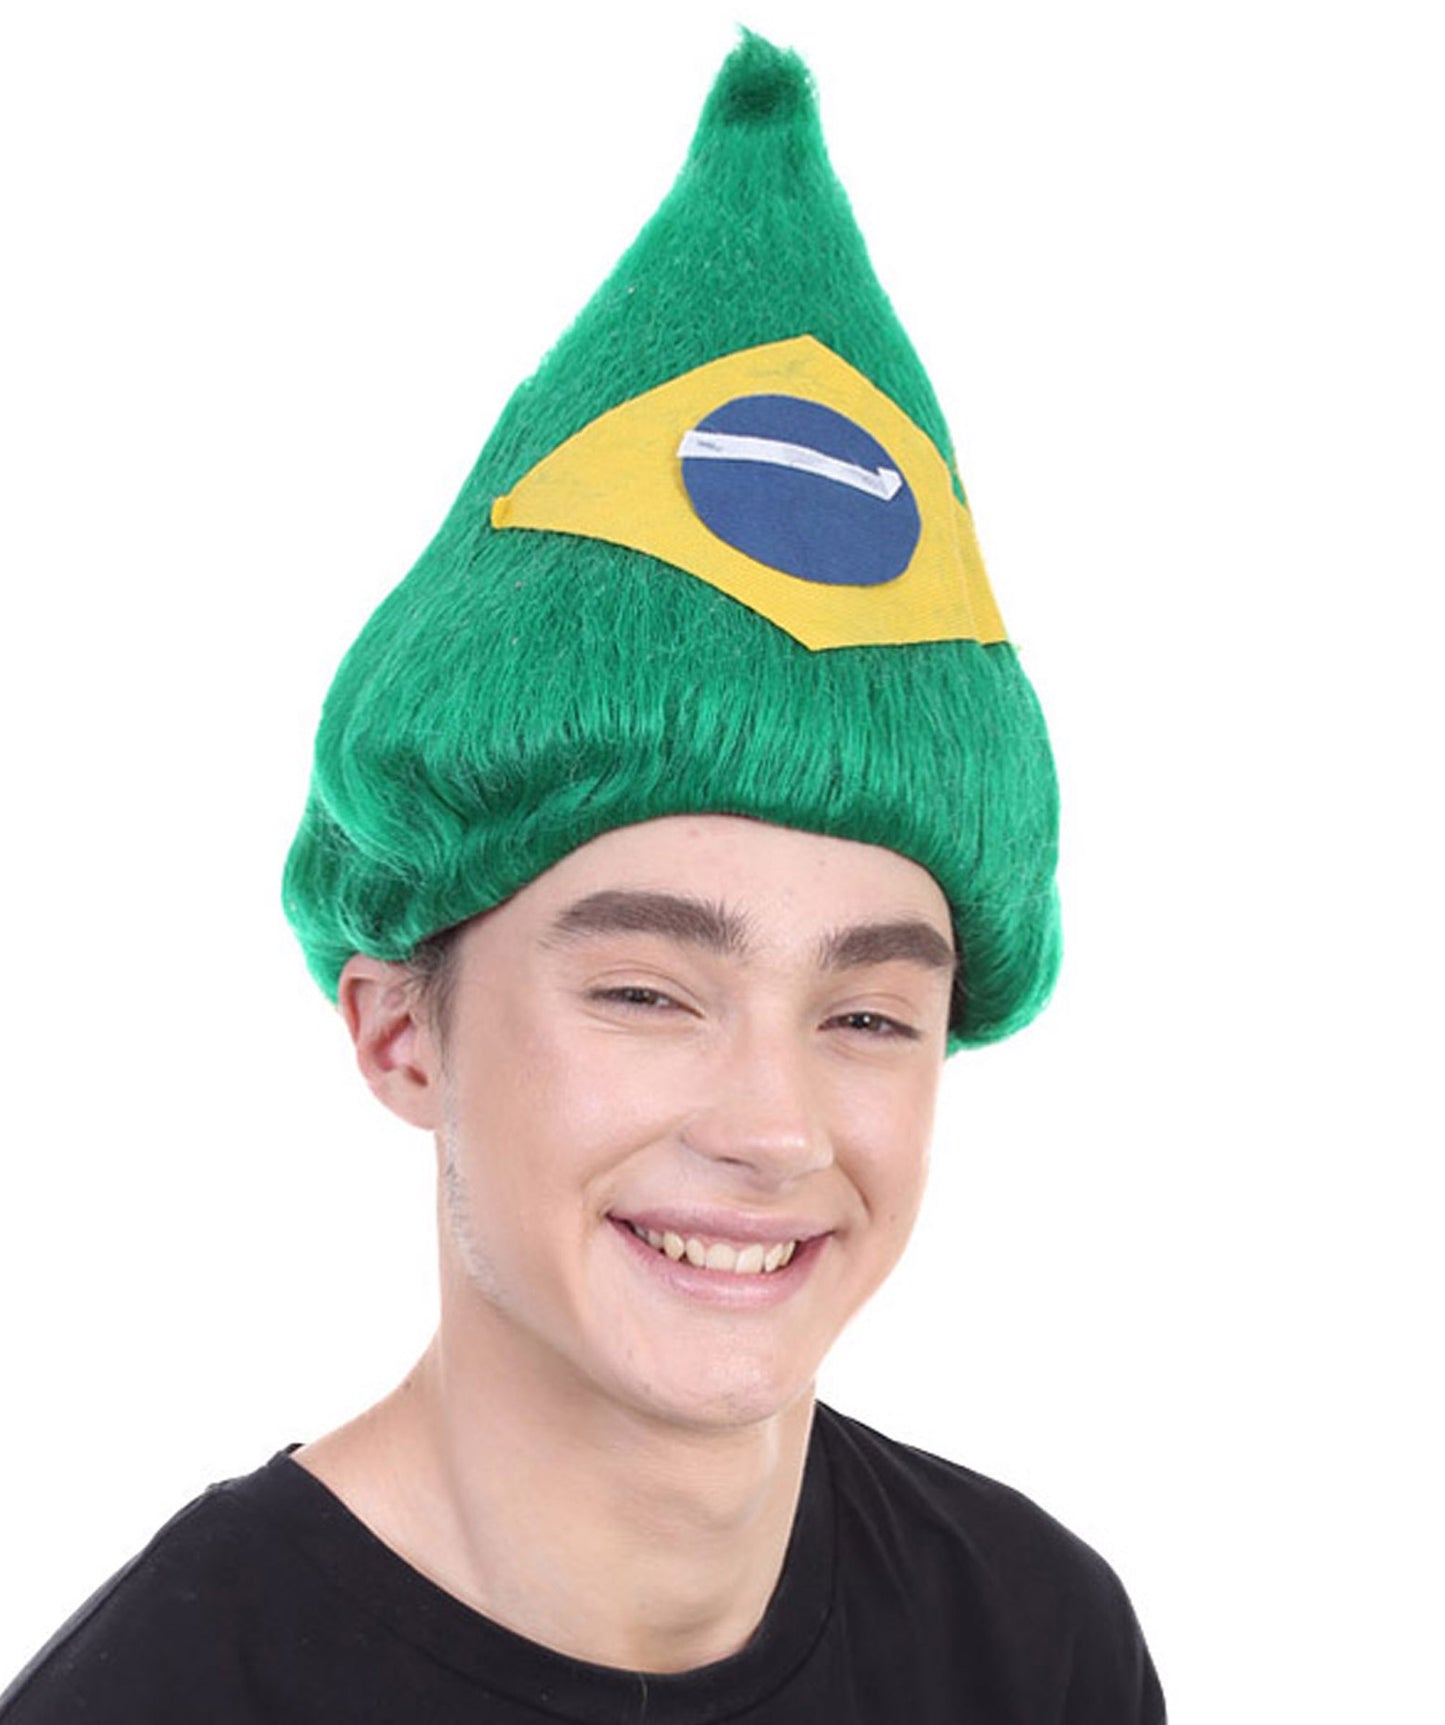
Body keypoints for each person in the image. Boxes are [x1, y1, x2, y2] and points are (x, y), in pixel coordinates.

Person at [1, 32, 1165, 1723]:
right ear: (399, 1030)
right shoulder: (172, 1693)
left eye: (865, 1012)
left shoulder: (1030, 1641)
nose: (773, 1126)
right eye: (643, 990)